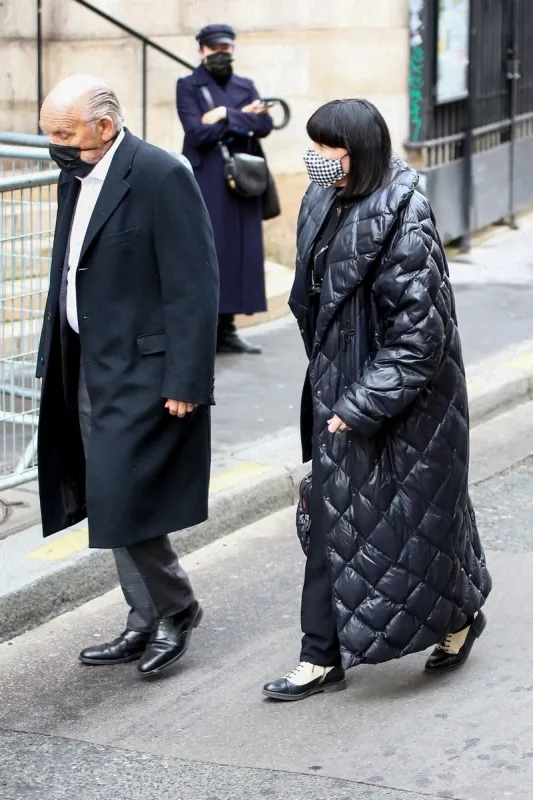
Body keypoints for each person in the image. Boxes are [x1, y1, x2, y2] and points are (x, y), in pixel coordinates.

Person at [262, 99, 492, 701]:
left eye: (326, 149)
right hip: (337, 384)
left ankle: (451, 620)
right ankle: (325, 653)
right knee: (351, 516)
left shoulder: (405, 212)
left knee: (422, 518)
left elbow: (423, 333)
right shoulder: (322, 198)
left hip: (407, 400)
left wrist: (360, 402)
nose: (313, 158)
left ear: (356, 153)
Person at [37, 74, 219, 678]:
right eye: (50, 134)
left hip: (145, 370)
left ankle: (177, 607)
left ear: (104, 127)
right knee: (108, 500)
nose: (55, 145)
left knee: (123, 496)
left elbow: (194, 284)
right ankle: (143, 617)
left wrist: (187, 380)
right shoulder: (77, 174)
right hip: (86, 361)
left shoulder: (162, 176)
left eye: (65, 134)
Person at [177, 24, 273, 355]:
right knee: (210, 250)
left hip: (242, 179)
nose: (220, 54)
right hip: (207, 179)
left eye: (226, 49)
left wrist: (222, 115)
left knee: (240, 253)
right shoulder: (188, 86)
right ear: (201, 51)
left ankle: (229, 330)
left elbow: (265, 124)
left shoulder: (244, 85)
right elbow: (196, 132)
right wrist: (240, 118)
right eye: (214, 49)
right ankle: (208, 329)